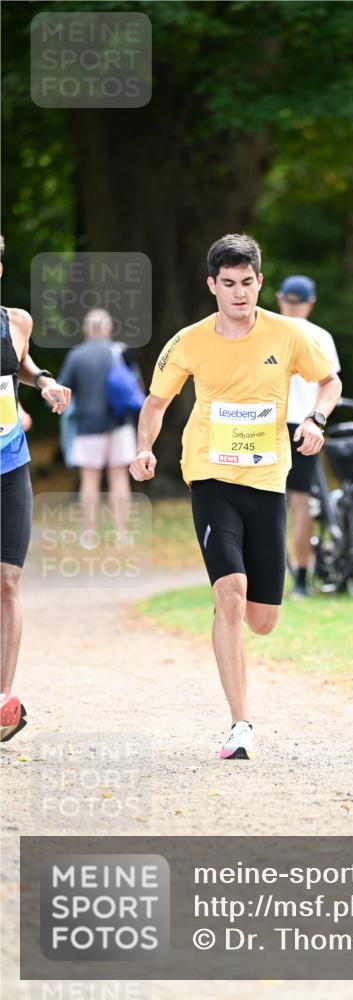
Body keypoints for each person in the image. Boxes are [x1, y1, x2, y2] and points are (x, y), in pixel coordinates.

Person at [130, 234, 341, 760]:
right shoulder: (189, 341)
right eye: (229, 284)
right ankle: (240, 724)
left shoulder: (288, 334)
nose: (239, 294)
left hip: (267, 480)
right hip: (209, 478)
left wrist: (316, 419)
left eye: (247, 283)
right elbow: (156, 403)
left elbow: (329, 381)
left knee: (261, 617)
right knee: (229, 592)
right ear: (212, 286)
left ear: (259, 283)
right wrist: (144, 449)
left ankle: (245, 633)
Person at [1, 234, 71, 742]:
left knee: (7, 581)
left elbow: (20, 363)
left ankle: (2, 702)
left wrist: (43, 380)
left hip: (9, 465)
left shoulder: (15, 320)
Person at [276, 274, 341, 598]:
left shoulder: (266, 329)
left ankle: (269, 573)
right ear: (310, 302)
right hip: (304, 424)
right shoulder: (321, 337)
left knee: (268, 500)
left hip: (269, 424)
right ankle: (302, 578)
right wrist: (318, 418)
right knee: (301, 502)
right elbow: (331, 386)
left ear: (279, 299)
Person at [57, 309, 139, 545]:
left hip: (87, 426)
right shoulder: (120, 351)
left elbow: (62, 392)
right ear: (109, 329)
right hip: (120, 423)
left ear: (86, 329)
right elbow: (136, 386)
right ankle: (121, 534)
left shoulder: (76, 356)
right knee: (119, 478)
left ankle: (89, 534)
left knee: (90, 481)